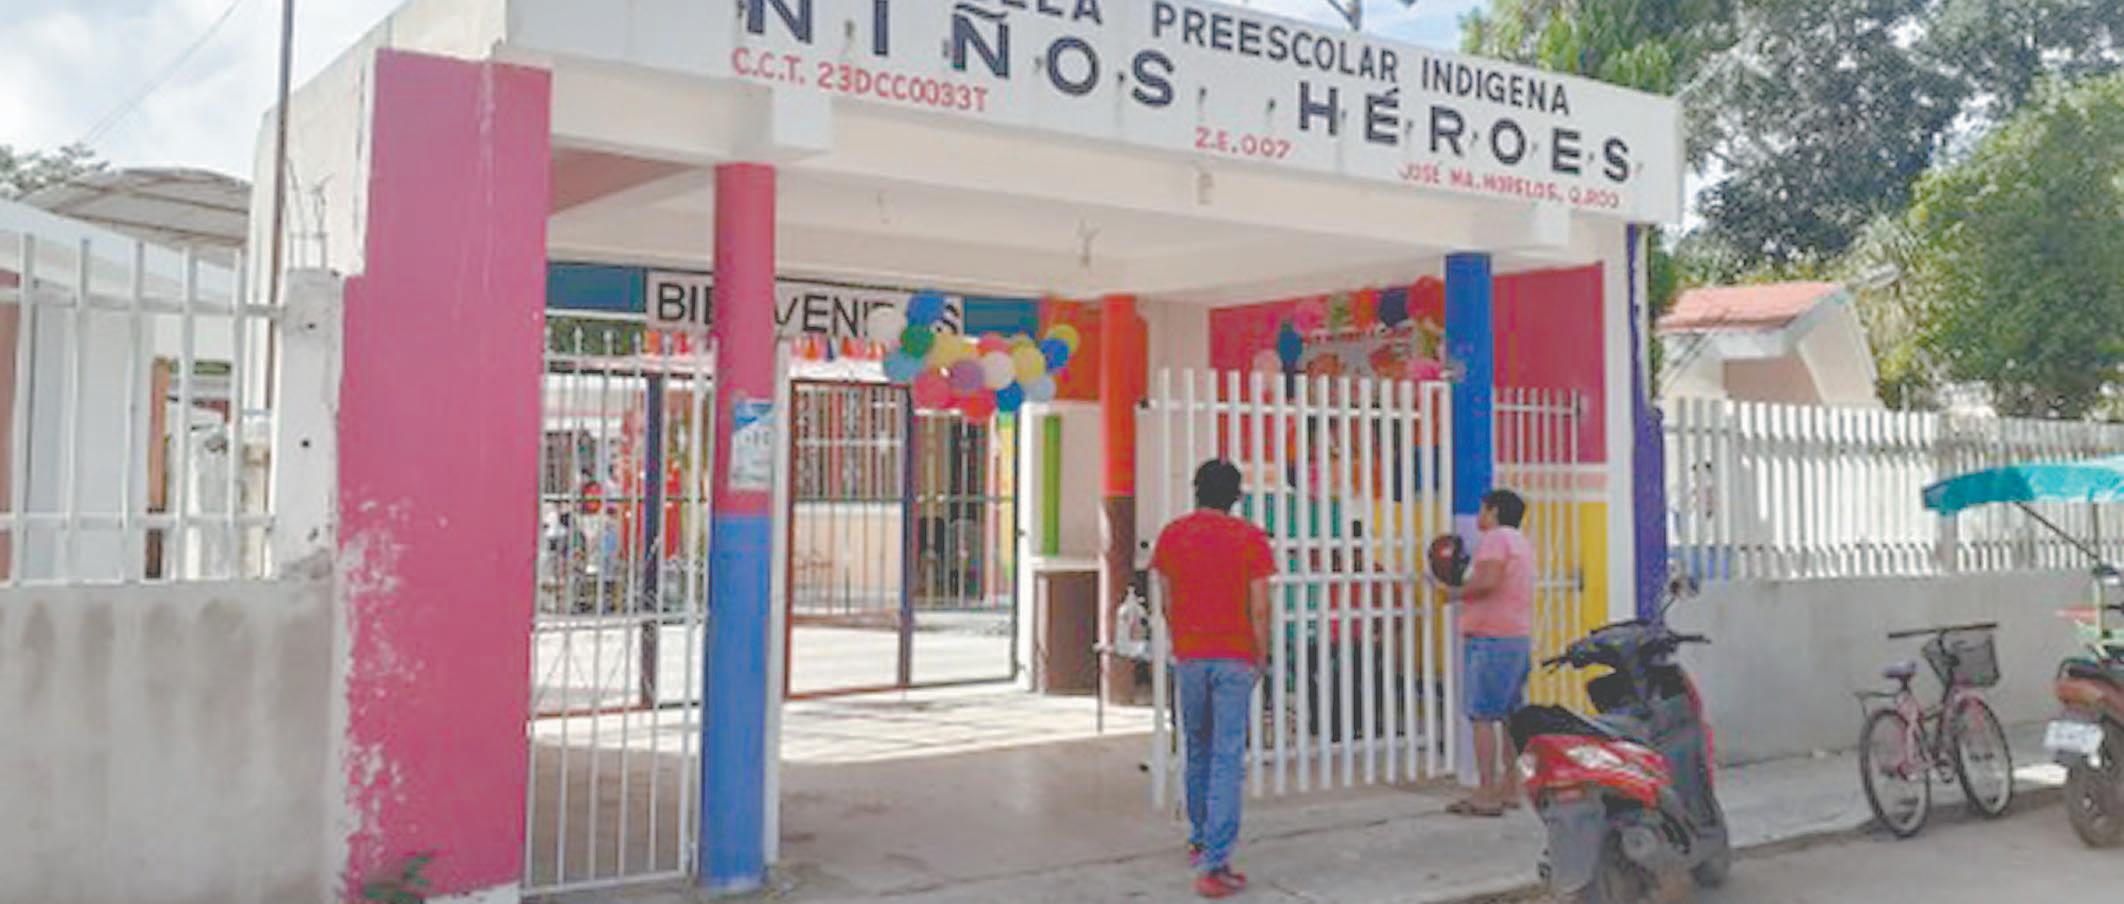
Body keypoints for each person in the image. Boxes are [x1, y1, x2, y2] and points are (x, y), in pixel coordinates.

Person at [1152, 459, 1275, 899]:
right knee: (1227, 756)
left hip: (1190, 657)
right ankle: (1214, 864)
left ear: (1196, 490)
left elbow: (1166, 601)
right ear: (1236, 496)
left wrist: (1183, 639)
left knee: (1197, 748)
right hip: (1234, 657)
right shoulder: (1250, 538)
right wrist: (1261, 655)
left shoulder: (1172, 535)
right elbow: (1259, 606)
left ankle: (1199, 839)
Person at [1446, 489, 1535, 818]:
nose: (1479, 516)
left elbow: (1488, 581)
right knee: (1511, 716)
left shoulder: (1496, 539)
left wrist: (1452, 593)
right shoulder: (1520, 542)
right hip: (1515, 635)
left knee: (1482, 716)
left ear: (1494, 511)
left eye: (1482, 510)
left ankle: (1486, 792)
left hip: (1492, 637)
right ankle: (1510, 785)